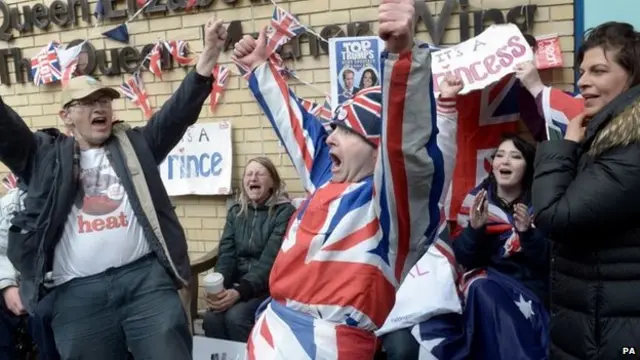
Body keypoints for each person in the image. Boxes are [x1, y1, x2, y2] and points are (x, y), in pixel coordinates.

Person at [0, 17, 227, 360]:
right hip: (78, 294)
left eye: (104, 100)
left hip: (145, 283)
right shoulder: (43, 156)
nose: (100, 107)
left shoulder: (135, 146)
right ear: (66, 115)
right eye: (89, 102)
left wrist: (208, 55)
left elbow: (176, 115)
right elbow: (7, 131)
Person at [231, 0, 444, 356]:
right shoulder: (328, 176)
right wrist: (260, 69)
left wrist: (404, 55)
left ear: (378, 151)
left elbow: (408, 148)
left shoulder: (393, 211)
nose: (330, 137)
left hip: (329, 347)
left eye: (345, 130)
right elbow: (296, 124)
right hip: (269, 334)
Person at [532, 21, 640, 360]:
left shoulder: (631, 145)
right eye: (582, 71)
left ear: (632, 76)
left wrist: (563, 146)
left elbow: (554, 214)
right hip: (599, 321)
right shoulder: (607, 135)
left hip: (618, 338)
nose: (582, 82)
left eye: (598, 71)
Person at [203, 157, 295, 342]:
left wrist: (239, 292)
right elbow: (226, 253)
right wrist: (219, 290)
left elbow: (271, 260)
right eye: (249, 174)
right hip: (237, 286)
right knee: (211, 317)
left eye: (260, 174)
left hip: (266, 288)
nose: (253, 178)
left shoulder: (284, 212)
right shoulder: (236, 212)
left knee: (236, 317)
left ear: (272, 182)